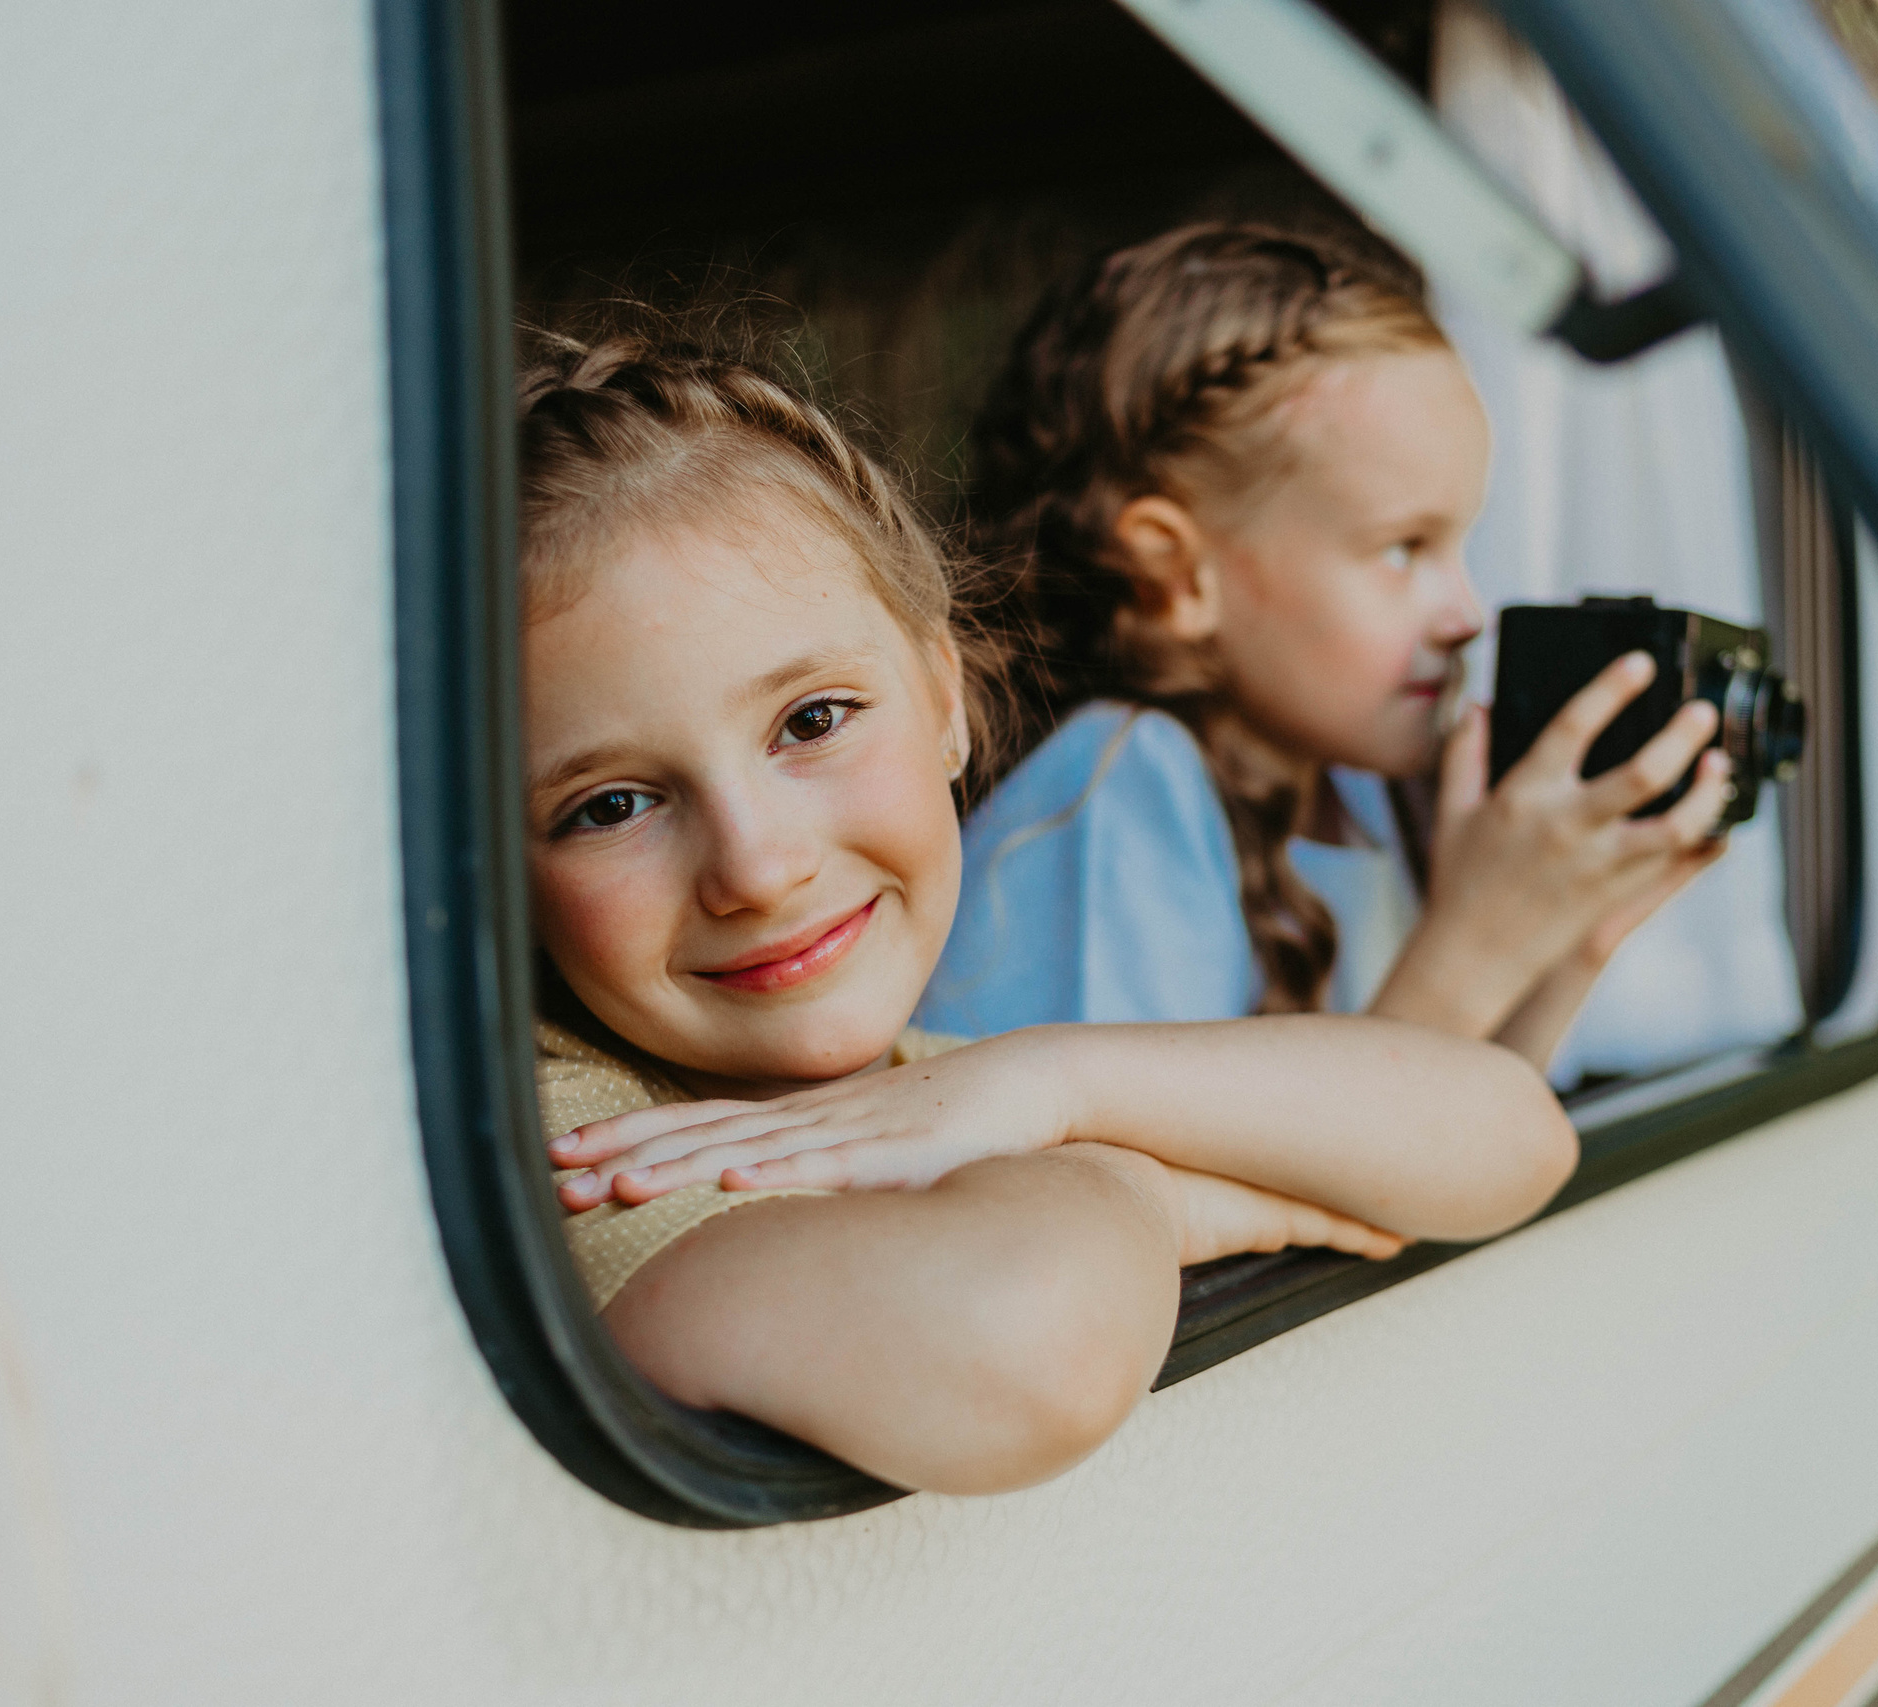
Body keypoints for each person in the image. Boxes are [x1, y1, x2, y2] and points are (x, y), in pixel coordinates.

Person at [511, 314, 1576, 1498]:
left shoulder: (931, 1083)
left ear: (946, 696)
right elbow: (1028, 1352)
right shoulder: (574, 1151)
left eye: (812, 721)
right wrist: (1151, 1185)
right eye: (608, 804)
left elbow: (1514, 1135)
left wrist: (1054, 1082)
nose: (757, 869)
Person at [918, 225, 1734, 1067]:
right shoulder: (1115, 794)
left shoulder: (1363, 790)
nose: (1465, 613)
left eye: (1460, 546)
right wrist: (1474, 946)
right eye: (1402, 549)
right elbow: (1161, 1198)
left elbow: (1454, 1151)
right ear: (1177, 574)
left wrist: (1567, 942)